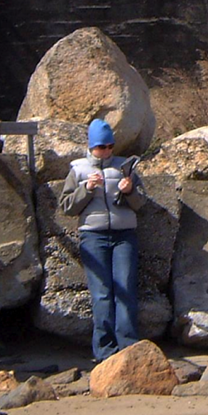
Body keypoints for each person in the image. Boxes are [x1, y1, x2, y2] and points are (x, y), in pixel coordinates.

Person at [58, 119, 145, 362]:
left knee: (125, 290)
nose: (106, 151)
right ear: (91, 145)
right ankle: (105, 351)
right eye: (101, 147)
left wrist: (130, 192)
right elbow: (66, 207)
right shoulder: (78, 170)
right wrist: (86, 188)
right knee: (101, 294)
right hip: (93, 237)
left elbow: (142, 203)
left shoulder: (124, 168)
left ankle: (128, 347)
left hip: (124, 235)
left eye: (109, 146)